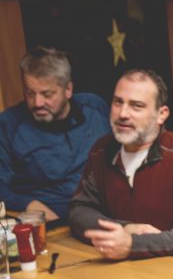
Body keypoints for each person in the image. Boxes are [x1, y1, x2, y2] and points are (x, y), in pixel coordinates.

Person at [69, 69, 173, 271]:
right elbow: (79, 210)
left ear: (161, 114)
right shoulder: (101, 151)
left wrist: (133, 244)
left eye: (136, 106)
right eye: (118, 102)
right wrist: (126, 228)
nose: (122, 114)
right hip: (136, 272)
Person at [0, 47, 110, 220]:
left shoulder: (94, 108)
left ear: (68, 90)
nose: (37, 103)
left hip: (105, 211)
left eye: (47, 94)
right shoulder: (9, 123)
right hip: (51, 221)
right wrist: (27, 204)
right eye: (30, 93)